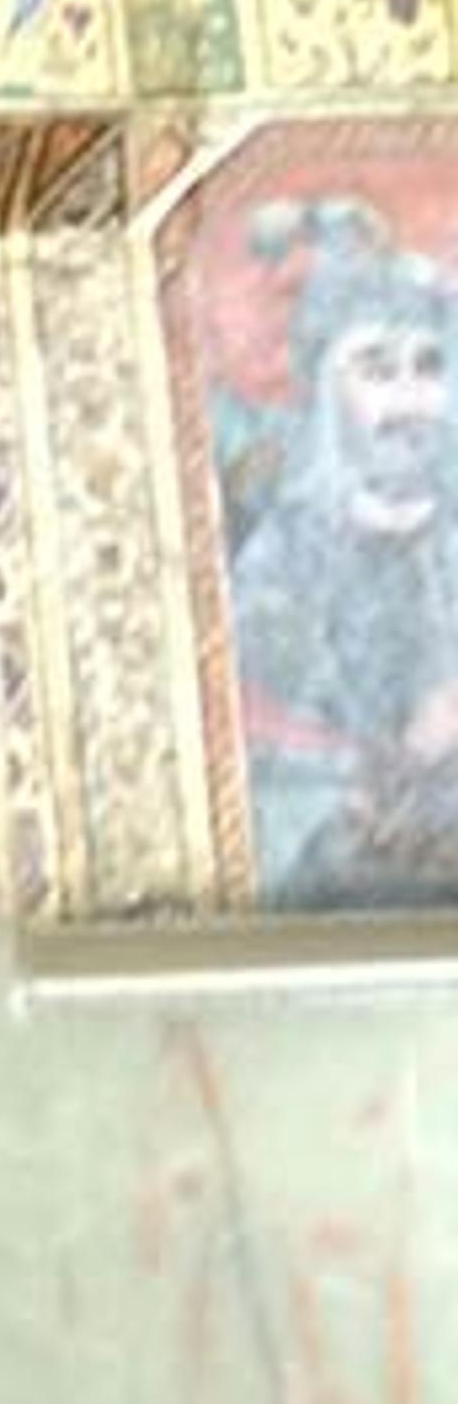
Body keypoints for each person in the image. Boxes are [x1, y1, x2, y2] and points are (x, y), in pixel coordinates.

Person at [226, 203, 458, 904]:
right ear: (328, 392)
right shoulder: (282, 556)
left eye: (428, 367)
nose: (410, 402)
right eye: (377, 371)